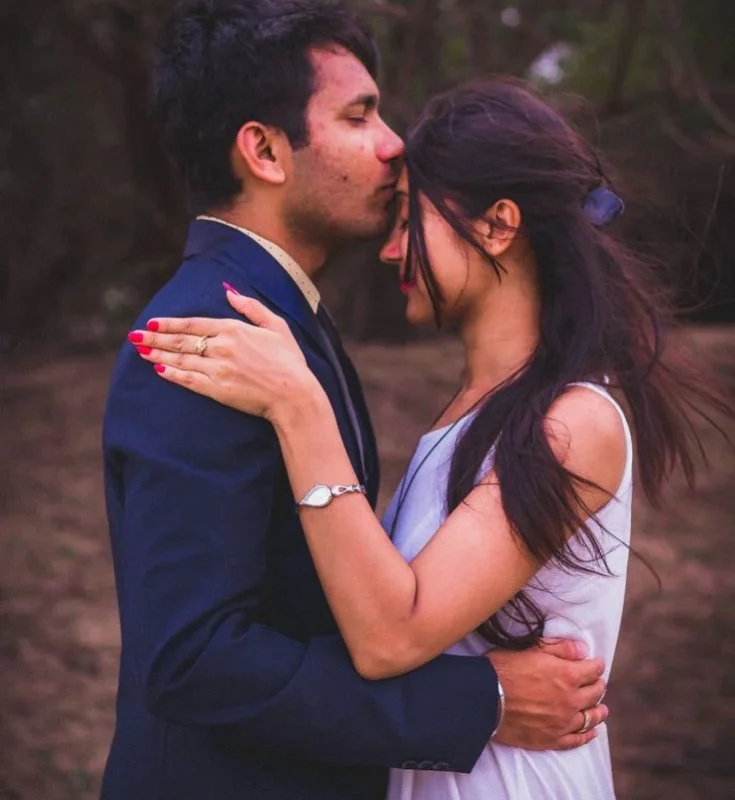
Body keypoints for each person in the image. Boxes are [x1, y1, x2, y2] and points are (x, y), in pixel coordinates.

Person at [132, 77, 730, 799]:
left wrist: (298, 405)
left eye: (409, 219)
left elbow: (393, 635)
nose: (391, 251)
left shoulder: (575, 421)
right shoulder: (465, 418)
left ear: (497, 225)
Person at [101, 0, 607, 800]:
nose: (394, 143)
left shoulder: (286, 325)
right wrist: (479, 699)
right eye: (358, 115)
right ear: (265, 151)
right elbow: (193, 658)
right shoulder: (206, 334)